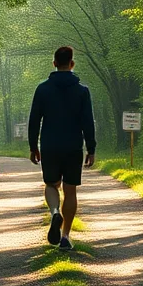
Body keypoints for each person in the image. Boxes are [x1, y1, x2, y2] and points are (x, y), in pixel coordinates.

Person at [28, 45, 96, 249]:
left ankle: (54, 212)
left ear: (54, 63)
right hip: (73, 146)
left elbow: (34, 120)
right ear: (72, 64)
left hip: (50, 145)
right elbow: (88, 122)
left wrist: (33, 146)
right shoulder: (82, 91)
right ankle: (66, 236)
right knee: (71, 190)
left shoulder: (42, 89)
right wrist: (91, 149)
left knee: (51, 185)